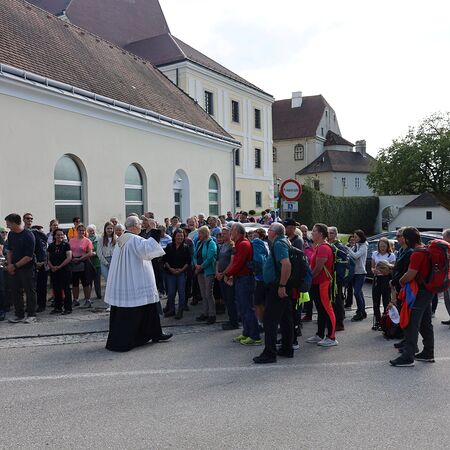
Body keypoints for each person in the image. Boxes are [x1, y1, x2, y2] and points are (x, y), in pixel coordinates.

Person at [105, 215, 172, 352]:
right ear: (134, 226)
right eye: (140, 224)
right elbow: (149, 250)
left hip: (128, 280)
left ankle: (156, 333)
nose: (141, 226)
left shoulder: (123, 239)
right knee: (140, 308)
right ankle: (129, 340)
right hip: (136, 281)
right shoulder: (134, 239)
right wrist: (154, 230)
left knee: (150, 308)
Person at [389, 227, 435, 367]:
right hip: (428, 290)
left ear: (408, 239)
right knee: (425, 322)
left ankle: (408, 356)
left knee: (411, 322)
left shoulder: (417, 253)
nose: (400, 239)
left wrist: (401, 281)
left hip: (419, 291)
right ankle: (428, 352)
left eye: (402, 236)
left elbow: (410, 275)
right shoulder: (425, 249)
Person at [253, 222, 293, 364]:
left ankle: (270, 353)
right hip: (280, 285)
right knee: (286, 318)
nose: (267, 232)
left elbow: (286, 264)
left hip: (277, 286)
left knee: (270, 320)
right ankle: (287, 348)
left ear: (274, 232)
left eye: (269, 230)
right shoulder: (283, 241)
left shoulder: (279, 244)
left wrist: (282, 285)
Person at [225, 223, 261, 346]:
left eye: (232, 230)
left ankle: (255, 336)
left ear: (238, 232)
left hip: (245, 279)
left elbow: (238, 263)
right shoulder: (239, 243)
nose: (230, 232)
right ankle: (246, 333)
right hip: (241, 278)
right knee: (242, 307)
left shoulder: (244, 244)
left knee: (247, 308)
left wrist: (227, 273)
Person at [306, 223, 338, 347]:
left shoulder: (324, 247)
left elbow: (318, 268)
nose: (312, 233)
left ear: (320, 234)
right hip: (317, 283)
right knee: (321, 309)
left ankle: (331, 337)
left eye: (314, 231)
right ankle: (320, 334)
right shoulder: (319, 246)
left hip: (322, 283)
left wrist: (308, 279)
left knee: (327, 309)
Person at [5, 213, 37, 323]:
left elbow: (29, 257)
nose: (7, 226)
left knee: (29, 291)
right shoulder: (11, 234)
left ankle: (32, 315)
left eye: (8, 224)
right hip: (14, 268)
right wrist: (10, 265)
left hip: (27, 268)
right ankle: (19, 314)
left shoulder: (28, 235)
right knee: (15, 291)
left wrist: (14, 266)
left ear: (14, 223)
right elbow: (10, 251)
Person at [163, 229, 191, 319]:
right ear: (174, 236)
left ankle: (180, 311)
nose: (180, 237)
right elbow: (165, 259)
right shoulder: (169, 246)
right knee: (171, 293)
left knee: (181, 293)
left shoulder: (186, 247)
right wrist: (170, 269)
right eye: (178, 235)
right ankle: (172, 310)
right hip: (170, 273)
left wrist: (181, 270)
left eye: (182, 236)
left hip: (181, 273)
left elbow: (188, 262)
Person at [194, 226, 218, 324]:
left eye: (200, 233)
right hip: (200, 271)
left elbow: (210, 258)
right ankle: (205, 313)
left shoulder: (211, 243)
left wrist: (201, 266)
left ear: (205, 234)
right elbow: (194, 255)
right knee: (203, 293)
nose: (198, 235)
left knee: (208, 293)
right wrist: (196, 264)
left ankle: (212, 314)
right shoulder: (199, 243)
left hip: (208, 271)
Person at [216, 226, 238, 330]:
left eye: (225, 234)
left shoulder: (232, 246)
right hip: (221, 275)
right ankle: (231, 319)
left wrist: (224, 273)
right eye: (222, 234)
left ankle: (234, 321)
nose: (223, 235)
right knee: (226, 299)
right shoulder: (222, 246)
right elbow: (218, 260)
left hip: (228, 276)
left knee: (230, 299)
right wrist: (217, 272)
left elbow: (232, 263)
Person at [371, 237, 396, 330]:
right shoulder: (375, 254)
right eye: (380, 246)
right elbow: (372, 267)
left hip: (386, 279)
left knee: (386, 300)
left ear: (387, 246)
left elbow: (392, 269)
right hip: (377, 278)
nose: (382, 248)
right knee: (376, 301)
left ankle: (385, 320)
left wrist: (386, 270)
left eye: (384, 246)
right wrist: (374, 271)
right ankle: (377, 321)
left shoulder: (391, 255)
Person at [47, 228, 73, 314]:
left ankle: (68, 308)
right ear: (54, 236)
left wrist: (59, 266)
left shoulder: (66, 245)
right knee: (56, 289)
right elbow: (48, 258)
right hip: (54, 271)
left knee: (66, 289)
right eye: (58, 235)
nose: (60, 236)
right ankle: (58, 307)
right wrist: (52, 267)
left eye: (62, 234)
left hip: (64, 270)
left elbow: (69, 257)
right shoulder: (51, 246)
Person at [328, 226, 347, 332]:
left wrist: (338, 277)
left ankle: (339, 323)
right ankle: (333, 320)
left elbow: (343, 261)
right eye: (328, 233)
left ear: (335, 234)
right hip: (330, 277)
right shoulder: (329, 244)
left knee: (337, 299)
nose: (329, 235)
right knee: (332, 300)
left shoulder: (339, 246)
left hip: (336, 278)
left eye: (331, 233)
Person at [69, 223, 93, 308]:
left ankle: (88, 300)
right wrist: (72, 259)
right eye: (80, 230)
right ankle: (75, 300)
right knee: (75, 283)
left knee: (85, 282)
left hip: (83, 262)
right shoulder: (71, 240)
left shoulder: (87, 241)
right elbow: (69, 251)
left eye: (83, 230)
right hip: (73, 262)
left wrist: (80, 259)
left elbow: (90, 253)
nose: (81, 232)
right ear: (77, 231)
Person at [347, 229, 368, 321]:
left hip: (361, 273)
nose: (354, 238)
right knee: (359, 292)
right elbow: (349, 255)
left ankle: (359, 313)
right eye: (353, 236)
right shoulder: (356, 245)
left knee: (356, 292)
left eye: (355, 237)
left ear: (360, 237)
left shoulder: (364, 246)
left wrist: (348, 249)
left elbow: (356, 256)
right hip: (354, 272)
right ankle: (362, 312)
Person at [87, 224, 102, 300]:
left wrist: (96, 253)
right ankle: (88, 296)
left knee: (97, 280)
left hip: (97, 262)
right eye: (90, 231)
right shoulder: (86, 239)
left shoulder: (99, 238)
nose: (91, 232)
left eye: (92, 230)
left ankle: (99, 294)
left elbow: (101, 249)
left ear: (95, 230)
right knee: (89, 280)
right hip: (89, 262)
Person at [441, 229, 450, 327]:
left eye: (444, 237)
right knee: (447, 300)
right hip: (446, 277)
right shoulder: (445, 248)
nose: (442, 239)